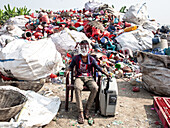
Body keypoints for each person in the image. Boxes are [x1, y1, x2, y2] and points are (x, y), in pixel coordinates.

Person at [65, 40, 111, 124]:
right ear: (79, 48)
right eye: (82, 47)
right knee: (77, 87)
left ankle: (87, 109)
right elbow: (71, 66)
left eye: (85, 47)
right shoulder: (76, 58)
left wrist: (106, 73)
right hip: (79, 77)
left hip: (89, 78)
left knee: (95, 88)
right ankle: (80, 112)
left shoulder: (91, 59)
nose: (83, 49)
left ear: (88, 48)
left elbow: (98, 68)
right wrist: (67, 71)